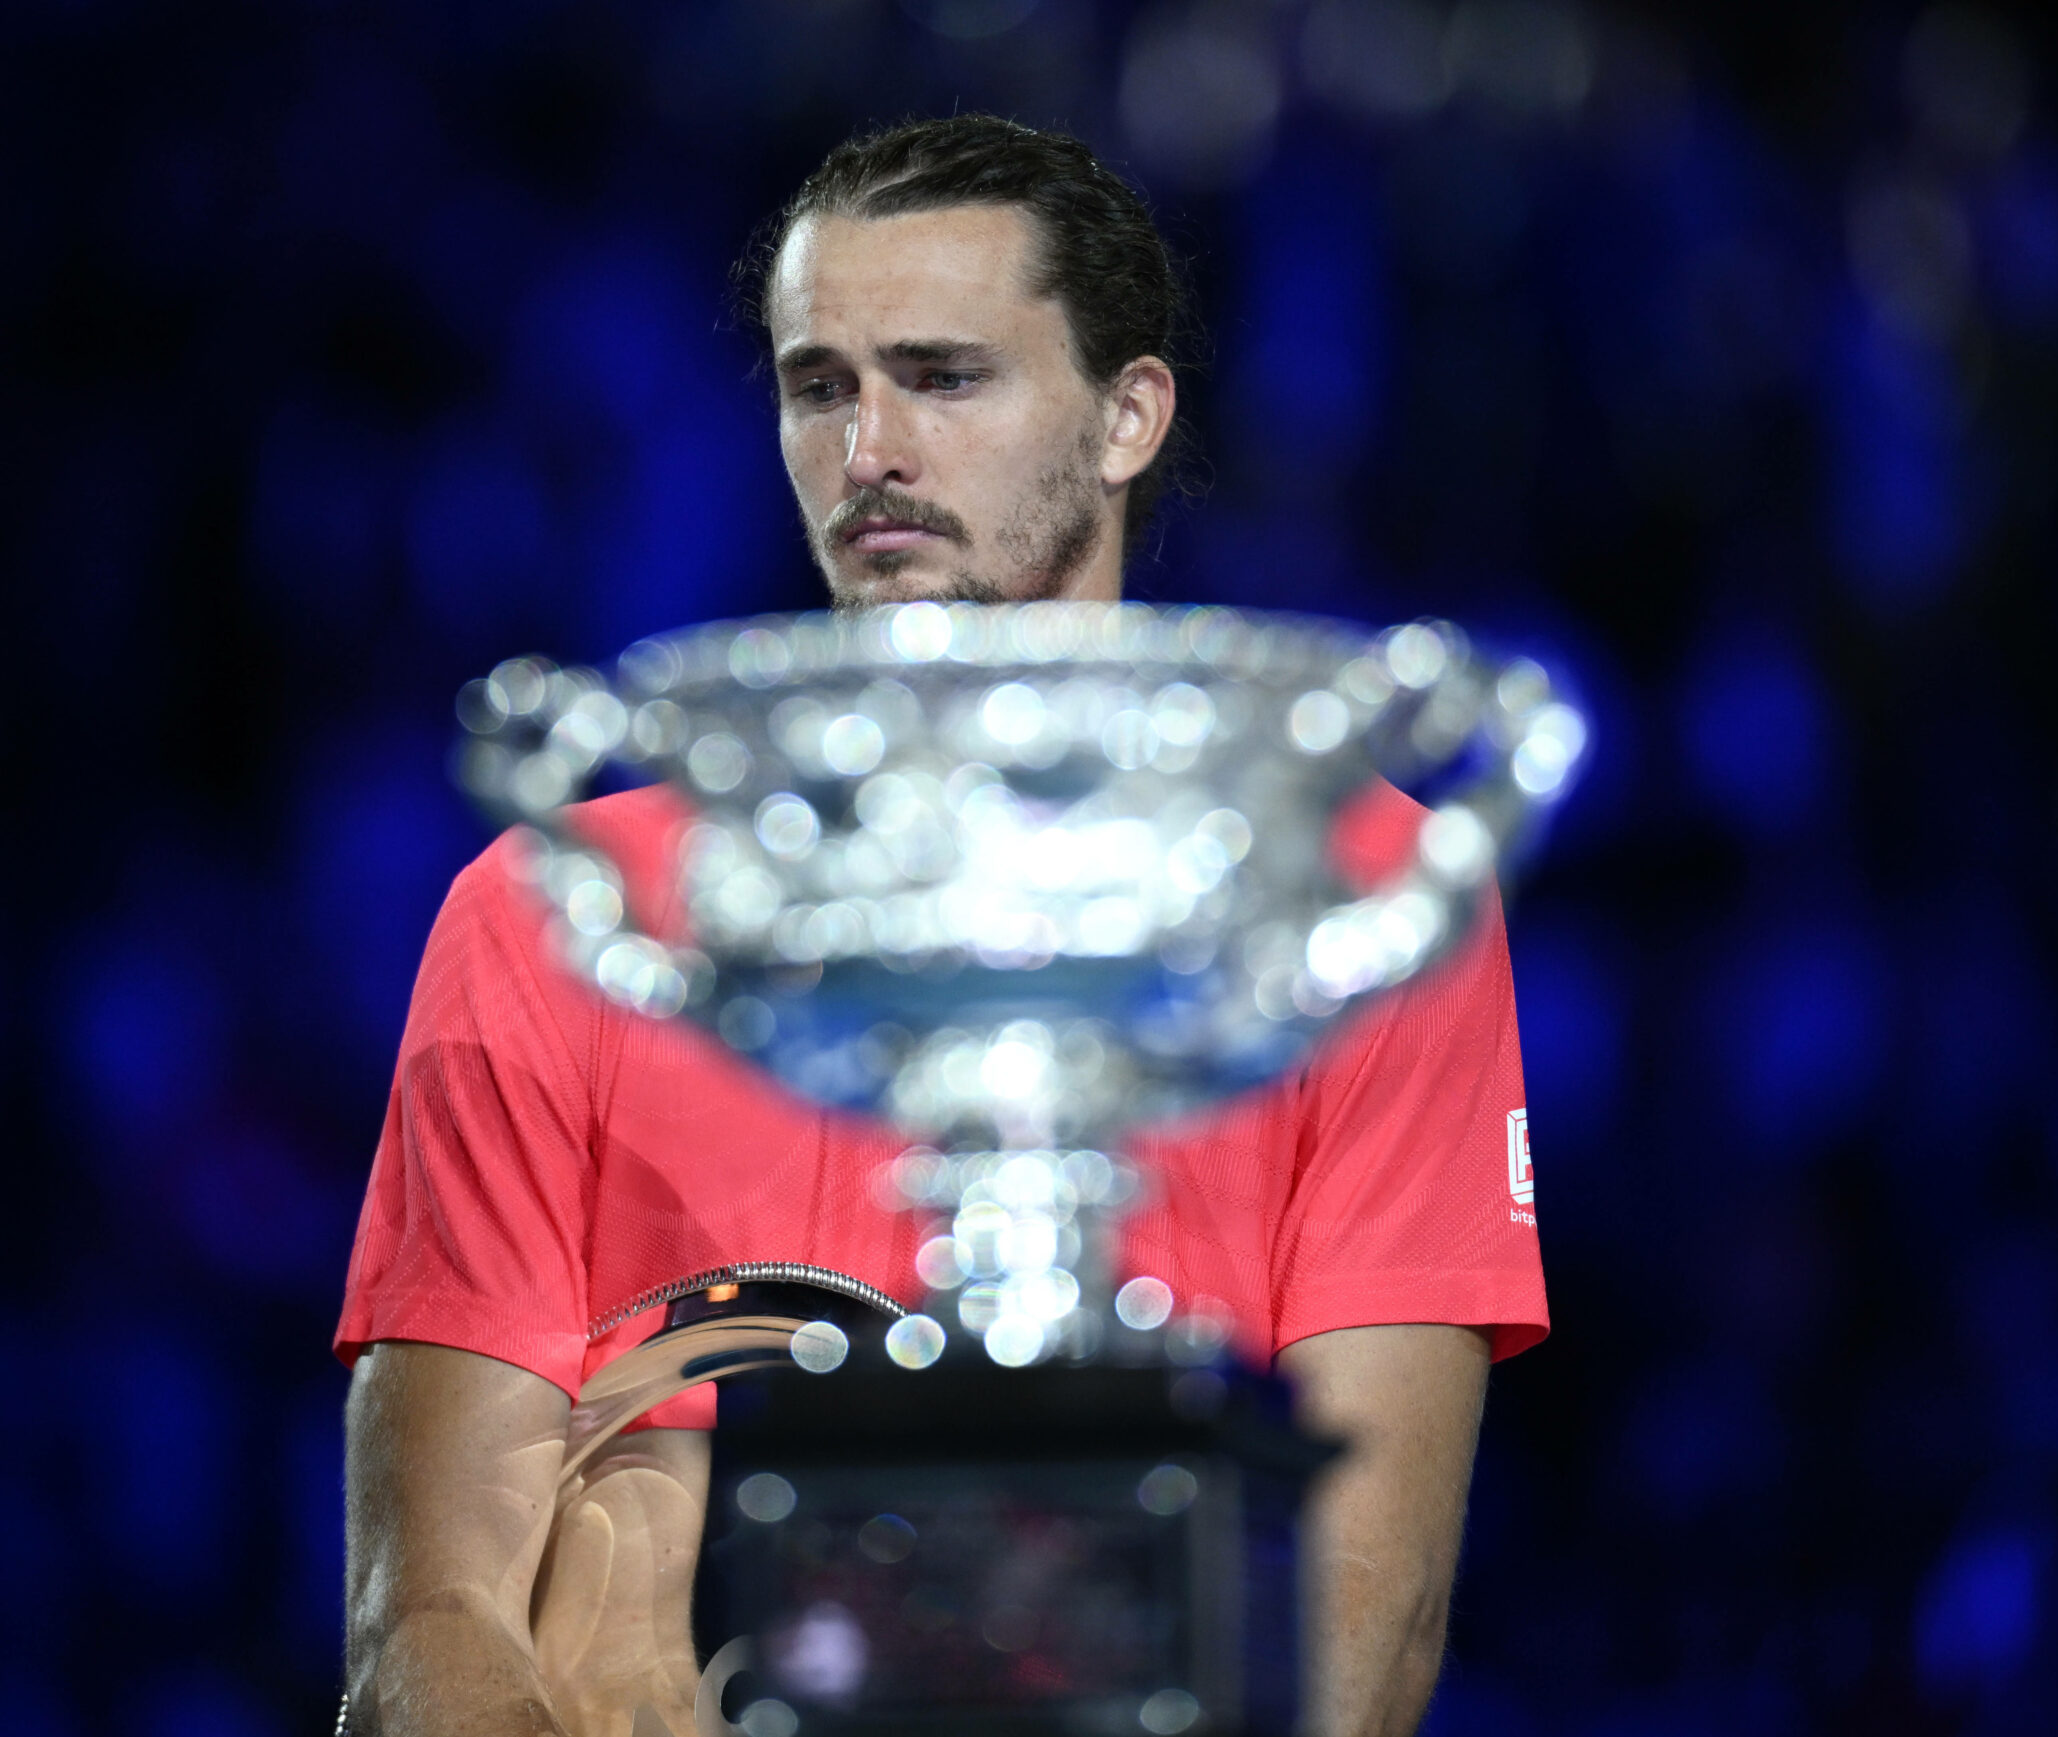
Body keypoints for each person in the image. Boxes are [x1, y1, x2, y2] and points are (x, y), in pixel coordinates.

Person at [336, 116, 1544, 1737]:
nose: (869, 450)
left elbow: (1359, 1636)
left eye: (945, 376)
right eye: (819, 384)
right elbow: (431, 1614)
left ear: (1128, 415)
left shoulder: (1355, 905)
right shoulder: (555, 909)